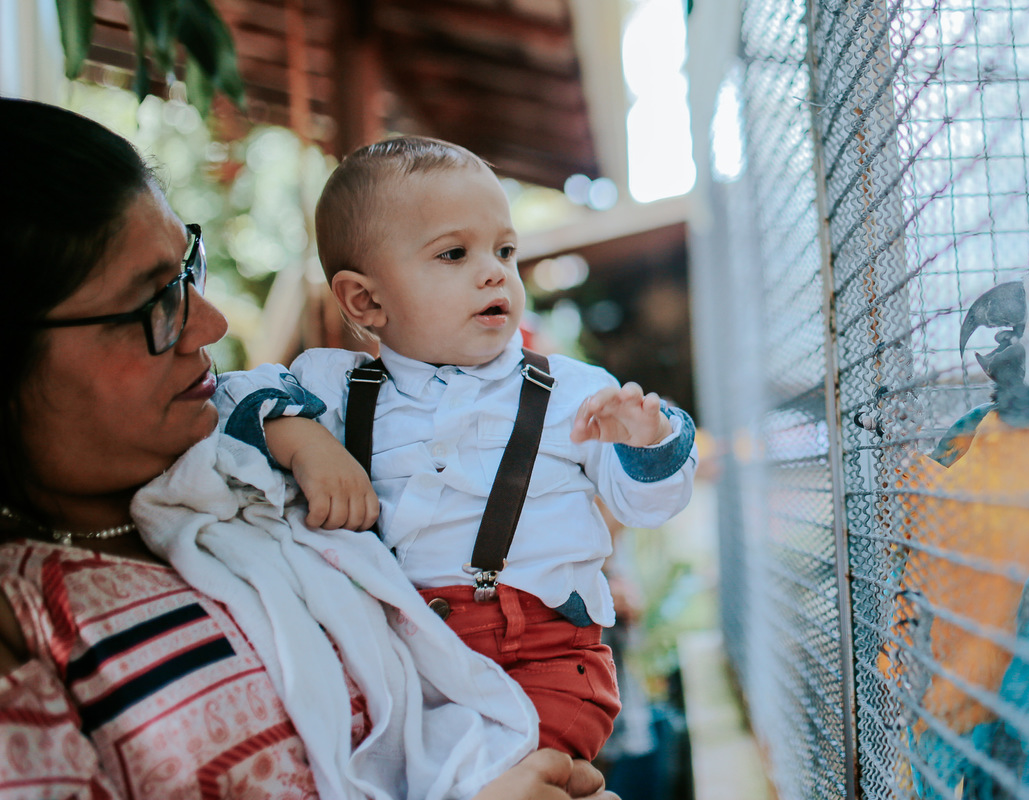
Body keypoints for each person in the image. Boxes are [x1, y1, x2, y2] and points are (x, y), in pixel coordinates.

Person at [0, 96, 616, 800]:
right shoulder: (24, 621)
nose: (210, 320)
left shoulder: (257, 473)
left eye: (186, 272)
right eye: (153, 303)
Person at [214, 136, 698, 760]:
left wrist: (645, 444)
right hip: (393, 666)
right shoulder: (333, 387)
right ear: (366, 300)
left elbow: (644, 505)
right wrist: (303, 439)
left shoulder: (573, 393)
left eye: (504, 250)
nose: (495, 270)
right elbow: (222, 402)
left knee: (510, 775)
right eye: (453, 253)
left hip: (542, 662)